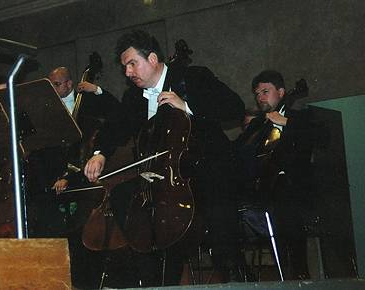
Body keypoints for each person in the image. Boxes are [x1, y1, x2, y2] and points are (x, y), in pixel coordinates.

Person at [83, 30, 245, 286]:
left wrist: (187, 106)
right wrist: (99, 153)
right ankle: (151, 278)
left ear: (153, 58)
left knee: (216, 189)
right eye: (125, 66)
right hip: (161, 178)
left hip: (203, 166)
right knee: (123, 195)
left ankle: (233, 271)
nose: (127, 72)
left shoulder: (193, 77)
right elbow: (115, 126)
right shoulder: (133, 97)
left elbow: (234, 107)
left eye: (132, 63)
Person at [26, 66, 120, 289]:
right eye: (51, 85)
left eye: (57, 84)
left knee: (80, 237)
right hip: (54, 182)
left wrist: (97, 89)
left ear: (69, 84)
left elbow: (117, 113)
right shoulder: (48, 109)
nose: (53, 89)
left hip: (81, 181)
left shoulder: (88, 103)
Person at [235, 70, 313, 280]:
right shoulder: (258, 124)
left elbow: (321, 137)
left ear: (281, 92)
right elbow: (237, 150)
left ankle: (298, 273)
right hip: (260, 192)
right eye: (257, 93)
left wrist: (286, 123)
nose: (260, 97)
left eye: (265, 91)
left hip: (292, 190)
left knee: (283, 195)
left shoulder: (299, 117)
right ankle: (244, 277)